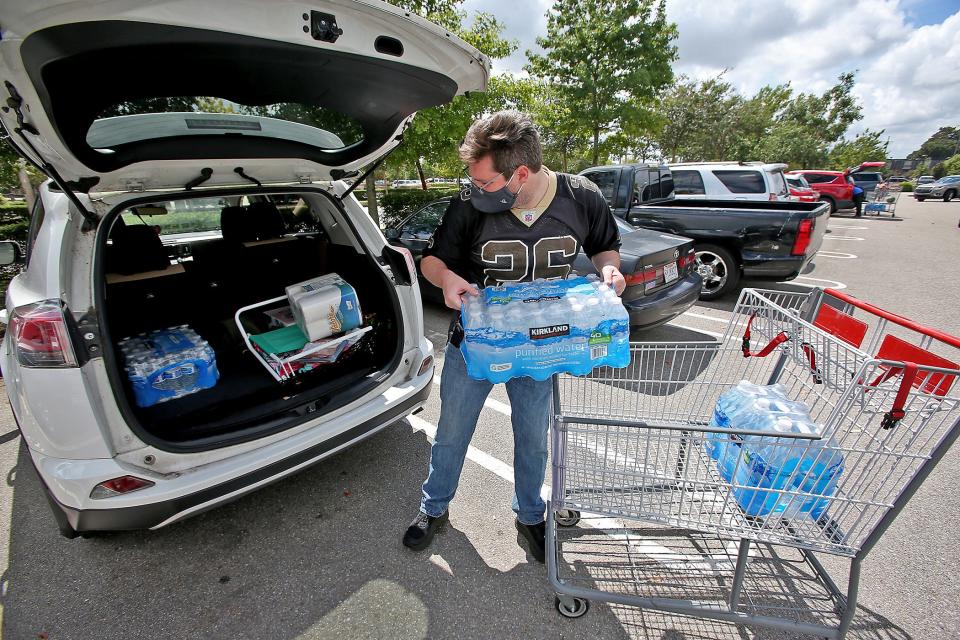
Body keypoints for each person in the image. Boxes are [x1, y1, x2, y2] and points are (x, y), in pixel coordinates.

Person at [401, 110, 626, 562]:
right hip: (476, 344)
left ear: (520, 174)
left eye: (486, 183)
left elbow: (605, 245)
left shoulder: (580, 196)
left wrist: (609, 268)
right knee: (452, 431)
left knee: (531, 436)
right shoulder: (469, 201)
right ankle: (434, 507)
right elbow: (432, 259)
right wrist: (445, 279)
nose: (477, 189)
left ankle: (529, 516)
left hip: (543, 345)